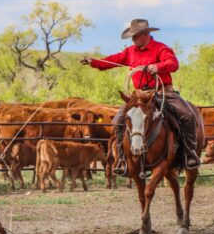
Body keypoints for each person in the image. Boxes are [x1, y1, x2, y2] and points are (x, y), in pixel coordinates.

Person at [80, 19, 201, 173]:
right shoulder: (130, 51)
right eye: (132, 36)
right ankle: (122, 159)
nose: (133, 39)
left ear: (145, 34)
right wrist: (94, 62)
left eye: (135, 36)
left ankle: (189, 153)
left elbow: (173, 64)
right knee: (118, 121)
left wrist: (158, 66)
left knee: (188, 115)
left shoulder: (161, 49)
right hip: (138, 95)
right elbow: (113, 60)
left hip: (162, 91)